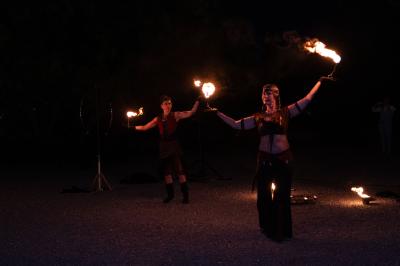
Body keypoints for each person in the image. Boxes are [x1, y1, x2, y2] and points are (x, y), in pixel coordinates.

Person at [214, 76, 333, 241]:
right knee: (263, 196)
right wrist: (217, 113)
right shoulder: (258, 117)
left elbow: (307, 99)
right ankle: (267, 228)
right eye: (264, 93)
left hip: (284, 159)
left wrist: (319, 82)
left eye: (269, 92)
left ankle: (282, 231)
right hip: (264, 161)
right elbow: (236, 124)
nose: (266, 95)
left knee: (281, 196)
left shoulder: (285, 112)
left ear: (276, 95)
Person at [134, 95, 200, 204]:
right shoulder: (158, 118)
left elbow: (191, 112)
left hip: (173, 146)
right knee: (166, 172)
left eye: (169, 103)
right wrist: (132, 127)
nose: (168, 105)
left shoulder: (176, 115)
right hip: (163, 147)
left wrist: (197, 101)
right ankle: (170, 195)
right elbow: (145, 127)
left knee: (179, 170)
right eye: (166, 103)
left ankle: (185, 196)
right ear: (161, 106)